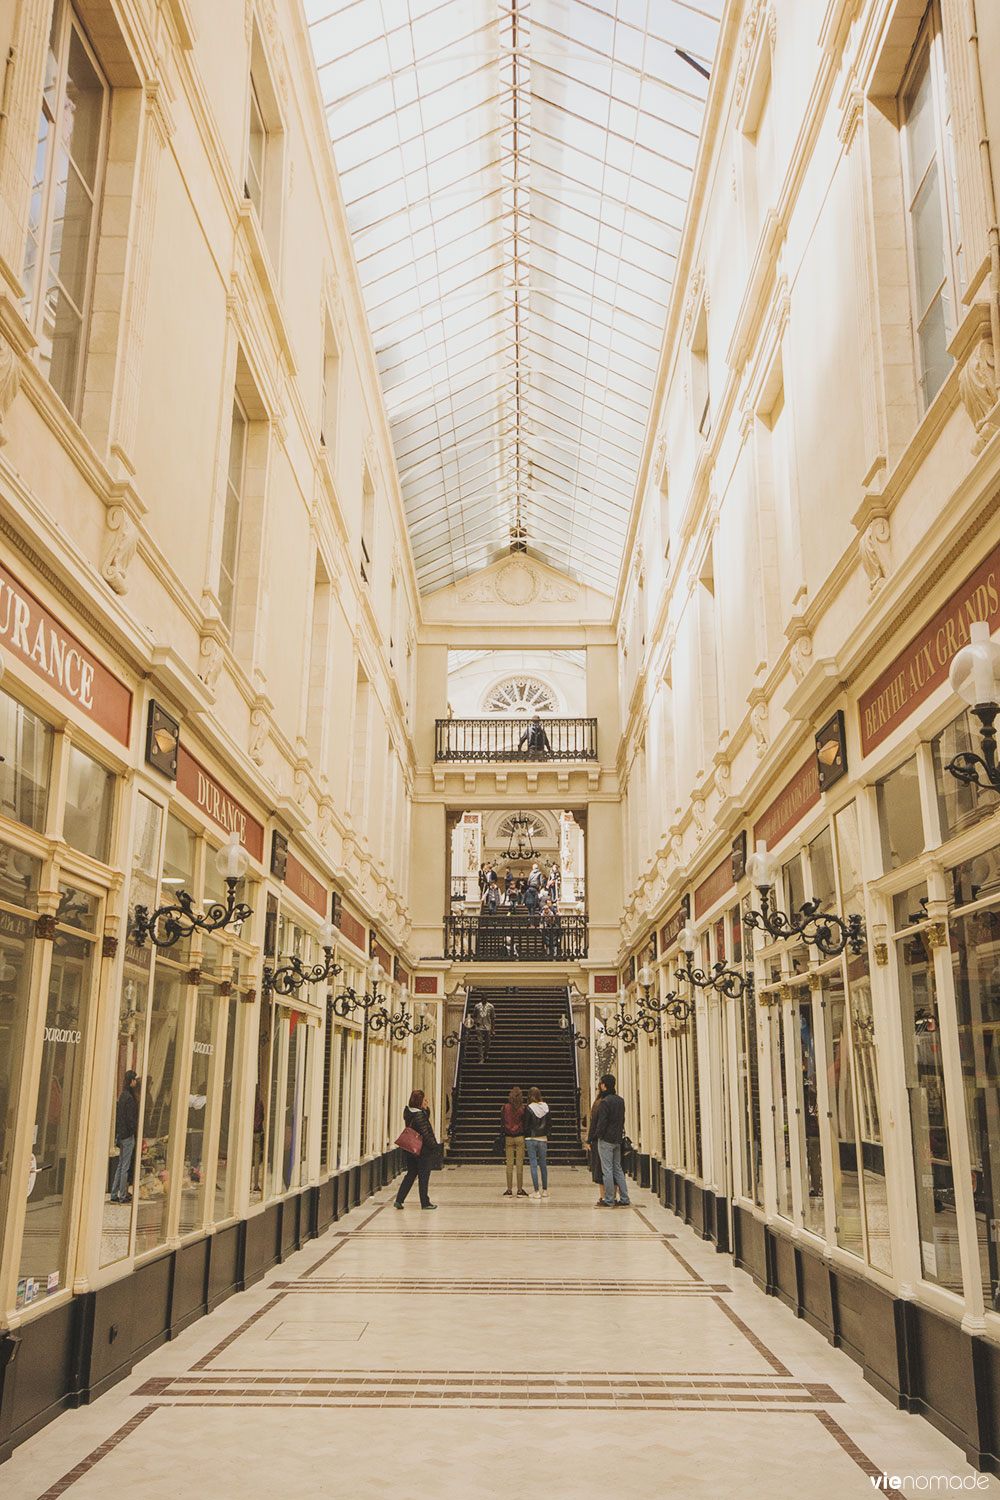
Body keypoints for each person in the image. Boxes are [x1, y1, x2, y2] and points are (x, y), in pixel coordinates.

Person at [589, 1073, 631, 1208]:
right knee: (618, 1169)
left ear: (604, 1085)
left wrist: (596, 1136)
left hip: (606, 1139)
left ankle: (609, 1199)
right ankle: (624, 1198)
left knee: (607, 1170)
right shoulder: (620, 1100)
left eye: (601, 1083)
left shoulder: (605, 1102)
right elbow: (621, 1119)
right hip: (617, 1139)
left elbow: (602, 1122)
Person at [394, 1089, 439, 1210]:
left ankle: (399, 1199)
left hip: (410, 1149)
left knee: (411, 1173)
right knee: (424, 1176)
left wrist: (425, 1109)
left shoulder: (410, 1113)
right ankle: (425, 1202)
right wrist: (435, 1147)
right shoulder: (419, 1115)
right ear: (419, 1102)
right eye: (424, 1100)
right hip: (422, 1150)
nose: (426, 1101)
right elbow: (425, 1133)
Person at [110, 1070, 140, 1204]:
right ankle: (122, 1194)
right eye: (134, 1079)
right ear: (131, 1081)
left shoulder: (122, 1096)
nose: (135, 1082)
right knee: (125, 1166)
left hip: (121, 1134)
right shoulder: (129, 1098)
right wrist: (134, 1130)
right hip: (128, 1135)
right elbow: (130, 1118)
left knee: (120, 1165)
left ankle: (113, 1193)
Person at [501, 1085, 528, 1197]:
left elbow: (502, 1120)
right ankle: (520, 1189)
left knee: (509, 1164)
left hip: (508, 1137)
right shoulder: (523, 1108)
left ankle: (509, 1189)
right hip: (520, 1137)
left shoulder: (505, 1107)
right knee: (519, 1163)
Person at [524, 1086, 550, 1198]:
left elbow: (526, 1124)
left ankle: (536, 1191)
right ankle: (545, 1190)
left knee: (533, 1165)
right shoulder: (546, 1107)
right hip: (543, 1138)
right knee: (543, 1165)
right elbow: (549, 1124)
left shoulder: (529, 1108)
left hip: (531, 1138)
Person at [473, 995, 496, 1062]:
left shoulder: (490, 1007)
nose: (484, 1000)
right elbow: (474, 1015)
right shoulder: (477, 1006)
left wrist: (493, 1030)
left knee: (487, 1043)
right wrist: (476, 1021)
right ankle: (481, 1057)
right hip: (479, 1027)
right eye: (482, 999)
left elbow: (493, 1018)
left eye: (485, 999)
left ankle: (485, 1053)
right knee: (479, 1042)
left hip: (487, 1027)